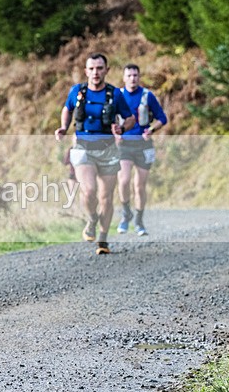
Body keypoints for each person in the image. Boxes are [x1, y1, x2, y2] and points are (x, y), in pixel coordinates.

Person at [55, 53, 135, 255]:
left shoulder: (115, 94)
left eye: (99, 68)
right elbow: (67, 109)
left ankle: (103, 239)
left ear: (107, 70)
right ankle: (91, 218)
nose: (95, 72)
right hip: (83, 147)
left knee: (105, 196)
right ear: (86, 71)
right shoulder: (77, 91)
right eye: (91, 68)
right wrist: (64, 127)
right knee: (89, 191)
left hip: (108, 148)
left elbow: (130, 118)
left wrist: (122, 128)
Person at [116, 64, 168, 236]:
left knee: (139, 185)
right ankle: (125, 214)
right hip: (124, 144)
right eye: (129, 75)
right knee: (123, 180)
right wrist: (115, 133)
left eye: (135, 75)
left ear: (139, 77)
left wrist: (152, 130)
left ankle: (139, 220)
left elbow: (162, 118)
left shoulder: (147, 96)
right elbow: (108, 119)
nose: (132, 78)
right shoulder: (118, 96)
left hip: (143, 145)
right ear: (124, 78)